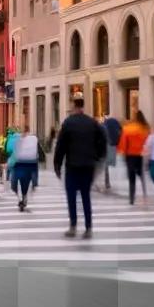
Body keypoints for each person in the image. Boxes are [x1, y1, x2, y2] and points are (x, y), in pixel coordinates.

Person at [53, 95, 106, 238]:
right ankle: (88, 228)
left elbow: (61, 145)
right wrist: (98, 157)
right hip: (88, 165)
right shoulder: (92, 122)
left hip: (73, 165)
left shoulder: (68, 123)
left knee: (71, 196)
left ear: (74, 106)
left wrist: (57, 164)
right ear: (82, 106)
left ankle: (73, 226)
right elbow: (102, 139)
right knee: (85, 196)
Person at [118, 110, 150, 204]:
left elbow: (123, 142)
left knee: (132, 177)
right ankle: (144, 193)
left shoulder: (128, 128)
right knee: (141, 175)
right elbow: (148, 141)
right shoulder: (145, 128)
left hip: (130, 155)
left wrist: (122, 152)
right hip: (140, 155)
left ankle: (132, 197)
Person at [11, 126, 41, 211]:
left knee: (23, 184)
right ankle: (22, 198)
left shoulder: (30, 140)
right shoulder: (20, 140)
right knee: (18, 184)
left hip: (25, 165)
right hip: (22, 165)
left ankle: (22, 199)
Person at [101, 113, 122, 190]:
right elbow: (120, 131)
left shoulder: (104, 124)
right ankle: (108, 181)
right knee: (110, 163)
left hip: (107, 144)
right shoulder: (115, 122)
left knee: (106, 164)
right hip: (113, 144)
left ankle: (107, 181)